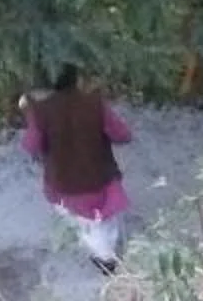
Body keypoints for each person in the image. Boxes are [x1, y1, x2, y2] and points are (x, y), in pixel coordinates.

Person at [20, 65, 132, 274]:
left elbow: (30, 146)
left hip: (64, 186)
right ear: (76, 78)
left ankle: (104, 261)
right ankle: (110, 263)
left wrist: (30, 116)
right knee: (104, 226)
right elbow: (123, 135)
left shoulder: (40, 111)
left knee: (84, 225)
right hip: (101, 180)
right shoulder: (94, 103)